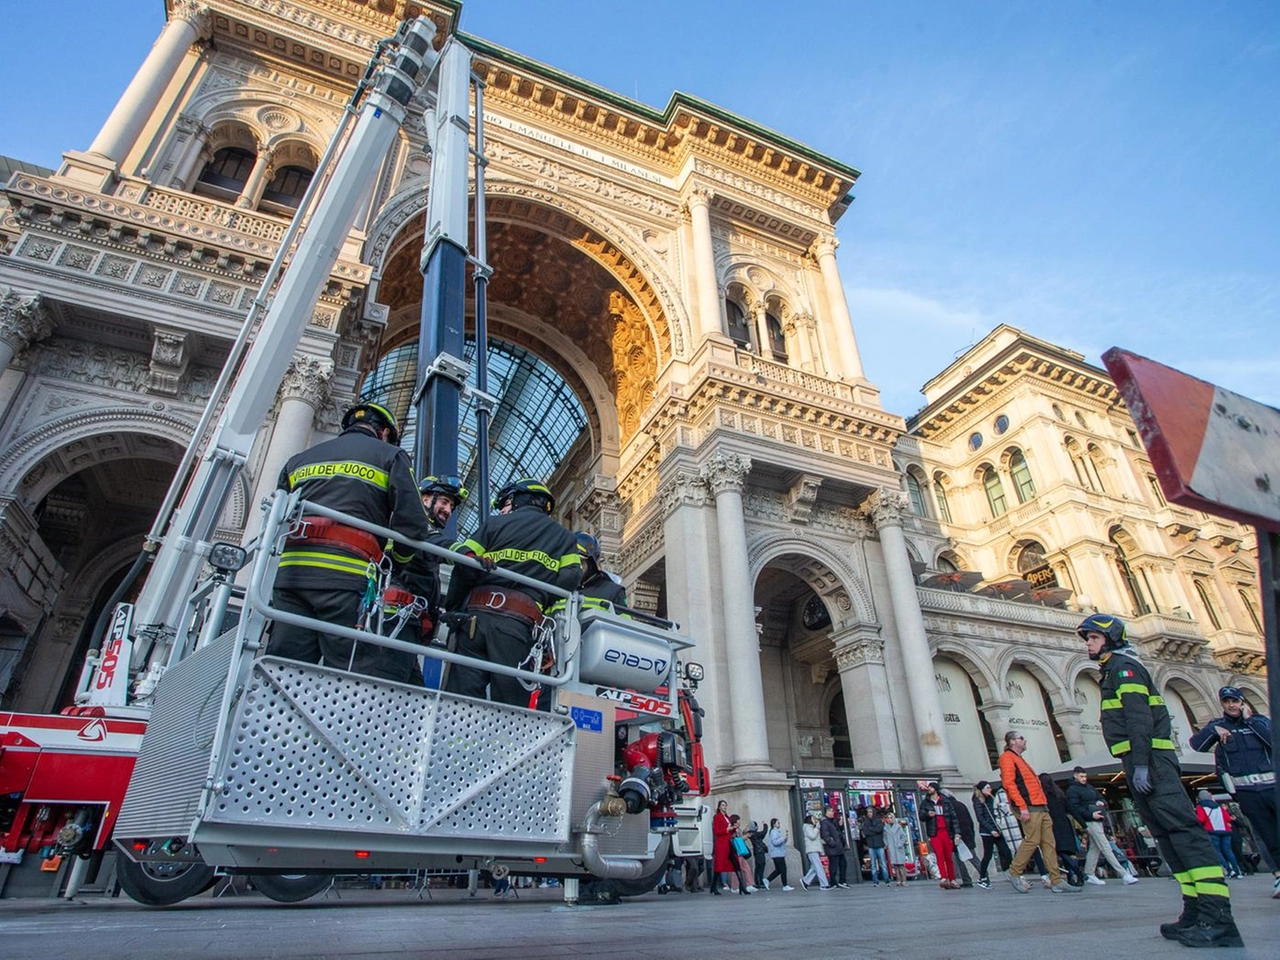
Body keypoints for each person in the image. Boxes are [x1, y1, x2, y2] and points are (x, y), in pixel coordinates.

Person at [1080, 613, 1243, 947]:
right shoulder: (1112, 670)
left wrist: (1140, 764)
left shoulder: (1125, 669)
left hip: (1152, 760)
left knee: (1184, 832)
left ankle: (1219, 919)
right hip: (1142, 760)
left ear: (1109, 639)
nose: (1088, 644)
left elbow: (1139, 718)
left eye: (1093, 638)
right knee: (1167, 836)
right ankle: (1195, 910)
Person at [268, 402, 438, 680]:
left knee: (285, 672)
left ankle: (277, 723)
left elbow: (278, 515)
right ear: (384, 432)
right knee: (351, 676)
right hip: (347, 579)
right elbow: (414, 524)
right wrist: (398, 560)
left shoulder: (299, 460)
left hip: (291, 576)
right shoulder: (391, 456)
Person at [444, 478, 581, 706]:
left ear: (516, 500)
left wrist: (454, 608)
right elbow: (571, 578)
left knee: (460, 699)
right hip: (518, 626)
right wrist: (542, 592)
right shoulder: (565, 538)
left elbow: (465, 563)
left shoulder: (494, 525)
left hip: (474, 621)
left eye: (505, 503)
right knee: (510, 706)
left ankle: (458, 740)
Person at [1189, 685, 1278, 900]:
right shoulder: (1218, 725)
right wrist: (1214, 731)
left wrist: (1250, 721)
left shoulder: (1259, 722)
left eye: (1235, 701)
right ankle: (1278, 874)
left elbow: (1273, 741)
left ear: (1242, 702)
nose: (1231, 705)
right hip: (1247, 791)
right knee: (1266, 835)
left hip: (1272, 786)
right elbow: (1196, 744)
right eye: (1227, 701)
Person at [379, 475, 467, 686]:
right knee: (392, 688)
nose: (448, 510)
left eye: (452, 506)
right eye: (444, 502)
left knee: (413, 691)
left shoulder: (415, 524)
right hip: (396, 619)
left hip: (408, 622)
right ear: (425, 499)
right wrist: (467, 553)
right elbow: (433, 542)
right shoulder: (413, 523)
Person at [999, 731, 1075, 894]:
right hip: (1029, 806)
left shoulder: (1018, 759)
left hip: (1039, 805)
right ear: (1012, 742)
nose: (1024, 740)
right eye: (1021, 738)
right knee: (1032, 840)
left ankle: (1056, 880)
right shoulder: (1007, 758)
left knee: (1049, 843)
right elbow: (1009, 784)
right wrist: (1022, 806)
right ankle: (1014, 871)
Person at [1064, 765, 1138, 885]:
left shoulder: (1086, 787)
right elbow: (1074, 808)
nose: (1084, 778)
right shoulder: (1073, 790)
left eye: (1085, 776)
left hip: (1095, 819)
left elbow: (1098, 798)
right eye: (1082, 776)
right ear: (1075, 776)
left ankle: (1089, 873)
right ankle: (1123, 874)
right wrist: (1091, 813)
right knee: (1105, 847)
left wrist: (1100, 802)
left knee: (1096, 847)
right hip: (1090, 820)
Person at [1040, 773, 1083, 887]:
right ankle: (1071, 877)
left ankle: (1078, 873)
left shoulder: (1043, 796)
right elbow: (1071, 809)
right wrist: (1083, 824)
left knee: (1060, 851)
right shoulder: (1059, 794)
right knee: (1065, 851)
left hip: (1052, 825)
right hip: (1064, 823)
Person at [919, 781, 961, 889]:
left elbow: (953, 818)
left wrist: (957, 832)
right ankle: (943, 877)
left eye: (931, 787)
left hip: (946, 831)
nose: (929, 789)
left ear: (936, 789)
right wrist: (928, 814)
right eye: (929, 787)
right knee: (939, 855)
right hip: (935, 832)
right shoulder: (926, 803)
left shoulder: (945, 801)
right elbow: (921, 816)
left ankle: (952, 879)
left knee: (948, 856)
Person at [972, 780, 1013, 888]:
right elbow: (980, 817)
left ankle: (1006, 870)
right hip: (987, 832)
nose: (990, 789)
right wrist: (991, 830)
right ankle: (982, 877)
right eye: (987, 788)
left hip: (997, 829)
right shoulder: (978, 800)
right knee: (988, 855)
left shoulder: (991, 798)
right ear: (981, 789)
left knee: (1007, 852)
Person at [1195, 791, 1243, 879]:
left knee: (1217, 851)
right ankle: (1237, 870)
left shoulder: (1200, 807)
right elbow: (1228, 818)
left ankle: (1228, 870)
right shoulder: (1219, 806)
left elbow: (1201, 819)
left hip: (1212, 831)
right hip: (1225, 831)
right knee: (1228, 851)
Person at [819, 806, 849, 888]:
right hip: (833, 848)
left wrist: (841, 825)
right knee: (833, 866)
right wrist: (833, 843)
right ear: (827, 812)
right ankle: (833, 882)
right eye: (831, 811)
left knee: (843, 864)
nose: (833, 813)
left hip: (839, 848)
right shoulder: (825, 822)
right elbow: (825, 835)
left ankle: (842, 881)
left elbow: (837, 832)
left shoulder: (832, 821)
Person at [800, 814, 830, 890]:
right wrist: (817, 828)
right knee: (818, 867)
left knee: (814, 867)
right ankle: (824, 884)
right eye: (813, 819)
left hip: (815, 849)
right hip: (812, 849)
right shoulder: (807, 827)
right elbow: (812, 836)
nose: (815, 820)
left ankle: (805, 881)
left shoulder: (811, 828)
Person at [863, 805, 889, 887]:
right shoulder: (866, 822)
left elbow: (879, 829)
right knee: (873, 865)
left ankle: (886, 880)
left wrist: (870, 829)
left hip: (879, 844)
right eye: (868, 812)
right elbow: (866, 832)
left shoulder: (879, 821)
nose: (869, 814)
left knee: (883, 864)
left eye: (870, 812)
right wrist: (873, 830)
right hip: (871, 845)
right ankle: (875, 881)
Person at [766, 817, 794, 890]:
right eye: (778, 823)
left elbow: (781, 842)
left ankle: (767, 880)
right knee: (783, 869)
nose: (779, 824)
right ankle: (785, 885)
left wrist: (785, 838)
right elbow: (775, 842)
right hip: (777, 853)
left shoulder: (776, 832)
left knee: (778, 870)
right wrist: (782, 838)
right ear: (774, 824)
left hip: (778, 853)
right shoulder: (773, 832)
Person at [884, 813, 911, 887]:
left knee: (901, 865)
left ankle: (904, 880)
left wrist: (900, 843)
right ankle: (898, 880)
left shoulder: (898, 827)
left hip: (898, 847)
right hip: (891, 847)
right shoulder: (886, 828)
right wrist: (887, 844)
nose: (889, 819)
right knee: (895, 865)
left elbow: (903, 836)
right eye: (888, 818)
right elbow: (885, 838)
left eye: (891, 817)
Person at [747, 820, 769, 890]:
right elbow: (764, 832)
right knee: (761, 866)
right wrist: (765, 824)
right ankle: (759, 882)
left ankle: (758, 881)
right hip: (759, 852)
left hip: (757, 852)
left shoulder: (751, 834)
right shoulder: (755, 834)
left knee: (758, 867)